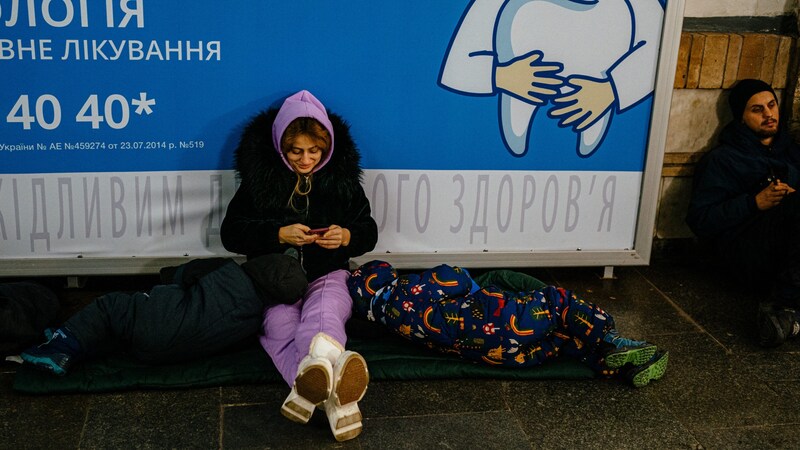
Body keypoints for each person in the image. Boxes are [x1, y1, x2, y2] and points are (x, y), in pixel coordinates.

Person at [220, 90, 378, 441]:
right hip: (274, 280)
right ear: (281, 147)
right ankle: (340, 405)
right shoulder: (259, 184)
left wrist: (346, 236)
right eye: (296, 152)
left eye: (314, 151)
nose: (306, 160)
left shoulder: (343, 184)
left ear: (327, 148)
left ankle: (309, 385)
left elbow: (369, 231)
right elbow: (231, 234)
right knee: (278, 326)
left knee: (324, 315)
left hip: (329, 274)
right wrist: (278, 234)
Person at [347, 260, 669, 387]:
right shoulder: (404, 290)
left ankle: (622, 366)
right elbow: (452, 277)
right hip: (502, 322)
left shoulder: (391, 323)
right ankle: (612, 339)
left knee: (559, 340)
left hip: (504, 356)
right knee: (559, 305)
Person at [19, 254, 307, 374]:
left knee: (110, 308)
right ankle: (80, 341)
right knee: (121, 330)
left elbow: (182, 275)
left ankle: (61, 347)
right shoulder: (255, 319)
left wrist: (164, 280)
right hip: (162, 354)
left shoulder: (227, 269)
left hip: (157, 319)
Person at [686, 78, 800, 347]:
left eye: (771, 105)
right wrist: (753, 203)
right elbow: (700, 220)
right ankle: (786, 307)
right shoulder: (723, 159)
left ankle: (789, 319)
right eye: (757, 110)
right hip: (747, 253)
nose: (769, 114)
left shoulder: (792, 152)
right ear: (741, 117)